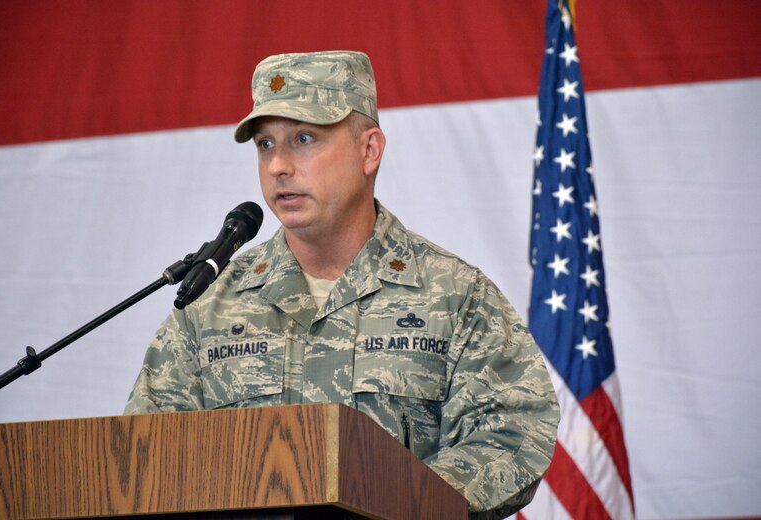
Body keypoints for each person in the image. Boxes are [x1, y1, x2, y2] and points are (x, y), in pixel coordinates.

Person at [125, 51, 559, 518]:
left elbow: (513, 432)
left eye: (304, 138)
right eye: (266, 145)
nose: (277, 167)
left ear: (368, 150)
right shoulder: (210, 302)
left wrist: (389, 498)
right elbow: (146, 457)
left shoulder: (455, 294)